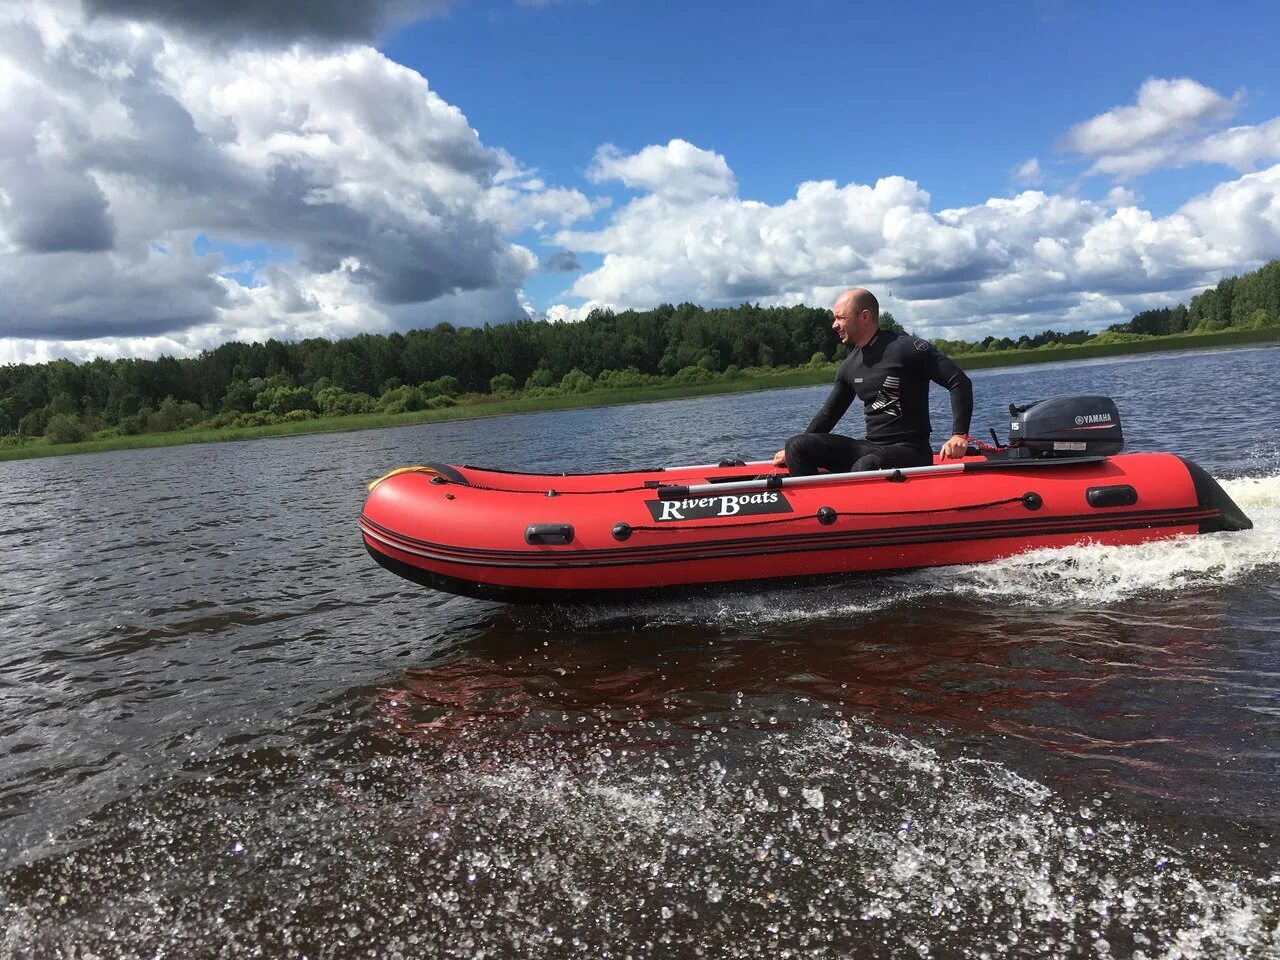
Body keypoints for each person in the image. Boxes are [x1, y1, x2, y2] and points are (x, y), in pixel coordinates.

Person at [774, 288, 972, 476]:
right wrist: (789, 453)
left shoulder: (907, 348)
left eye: (840, 317)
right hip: (872, 446)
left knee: (867, 464)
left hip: (911, 450)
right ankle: (818, 508)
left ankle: (855, 506)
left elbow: (959, 381)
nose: (835, 325)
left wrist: (959, 435)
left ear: (864, 317)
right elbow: (829, 414)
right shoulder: (850, 365)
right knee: (797, 446)